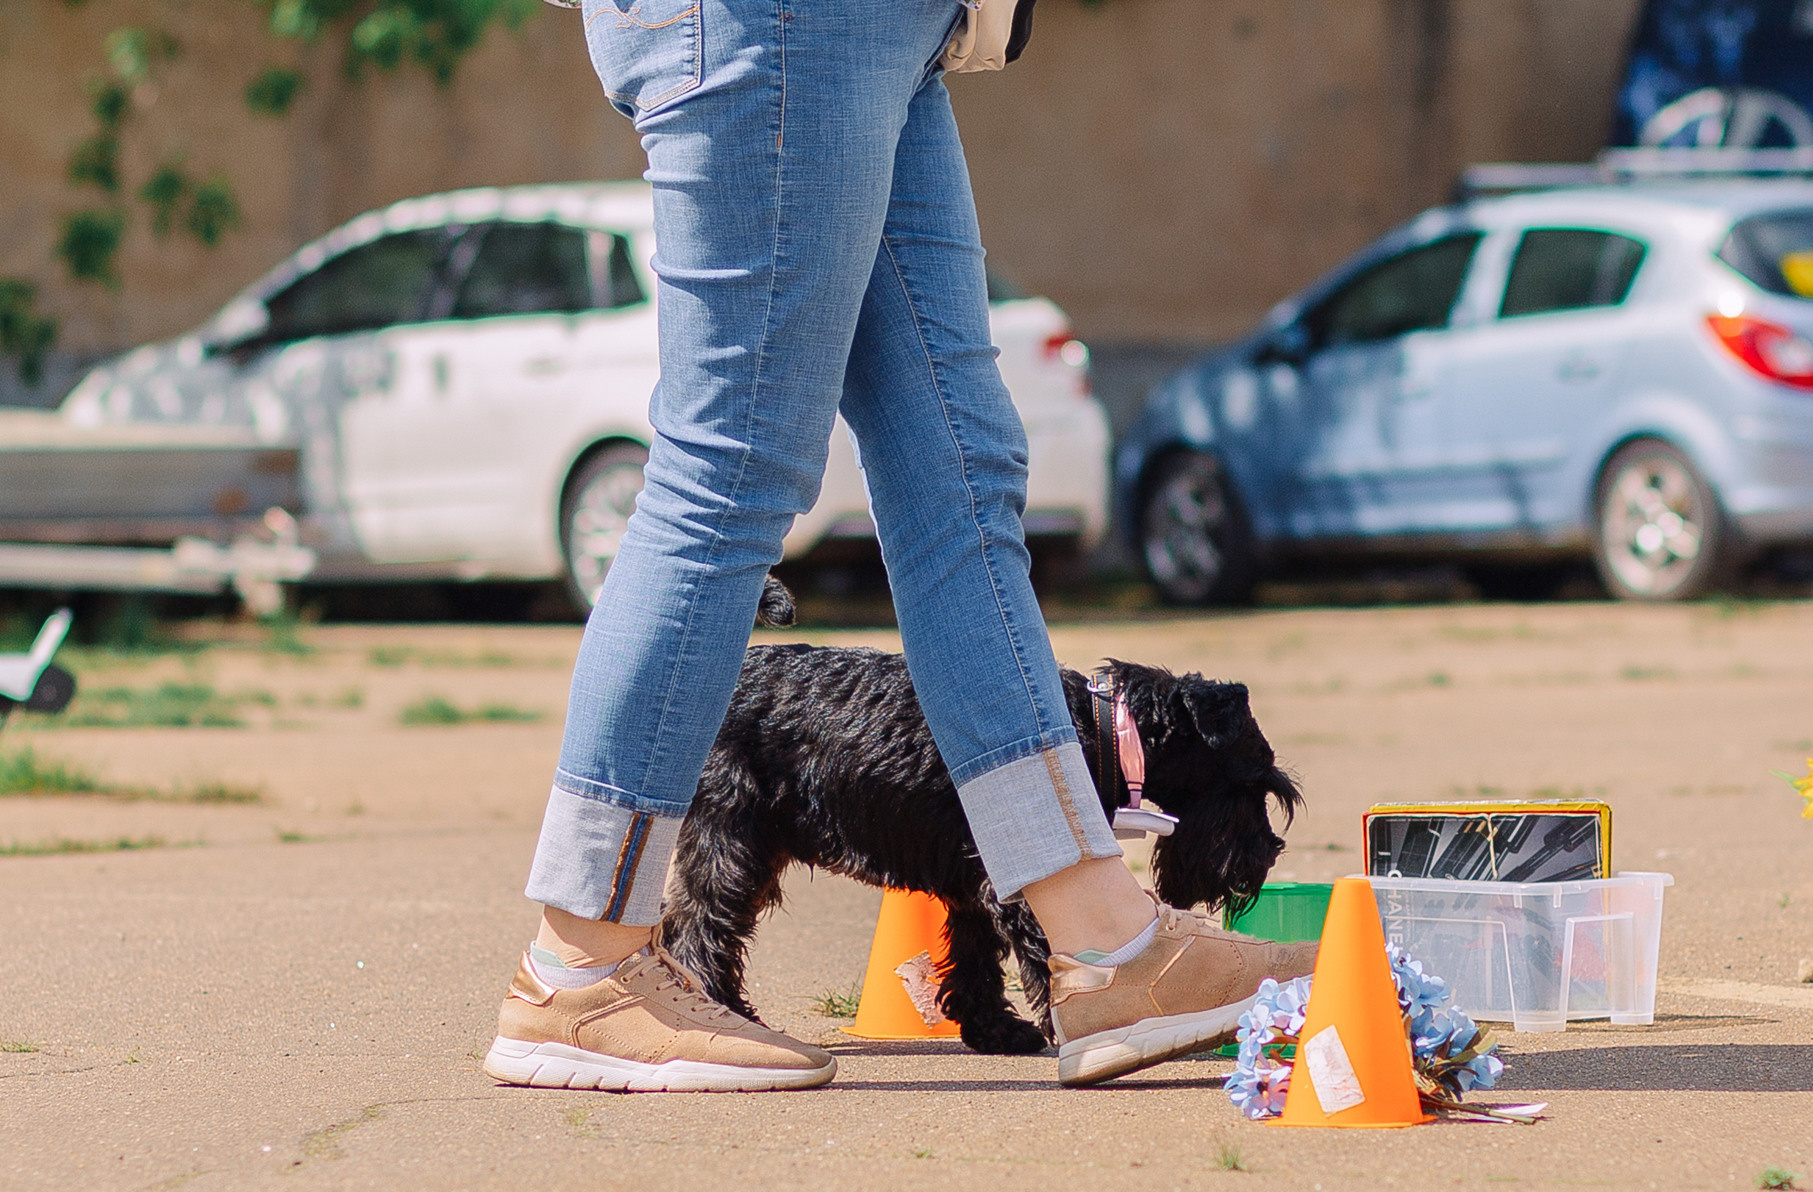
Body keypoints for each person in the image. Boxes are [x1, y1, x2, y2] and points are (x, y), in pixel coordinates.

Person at [483, 0, 1315, 1093]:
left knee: (961, 479)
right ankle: (581, 965)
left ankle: (1104, 948)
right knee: (728, 468)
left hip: (881, 31)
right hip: (778, 22)